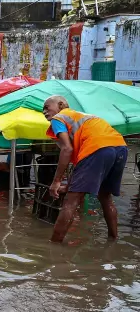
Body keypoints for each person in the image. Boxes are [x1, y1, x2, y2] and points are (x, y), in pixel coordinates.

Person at [43, 95, 128, 242]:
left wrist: (56, 181)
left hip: (97, 148)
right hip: (120, 147)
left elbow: (67, 150)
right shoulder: (84, 116)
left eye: (46, 107)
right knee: (105, 197)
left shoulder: (59, 118)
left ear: (61, 105)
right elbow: (81, 164)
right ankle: (113, 241)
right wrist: (69, 185)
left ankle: (53, 247)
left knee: (71, 201)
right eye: (42, 110)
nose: (44, 112)